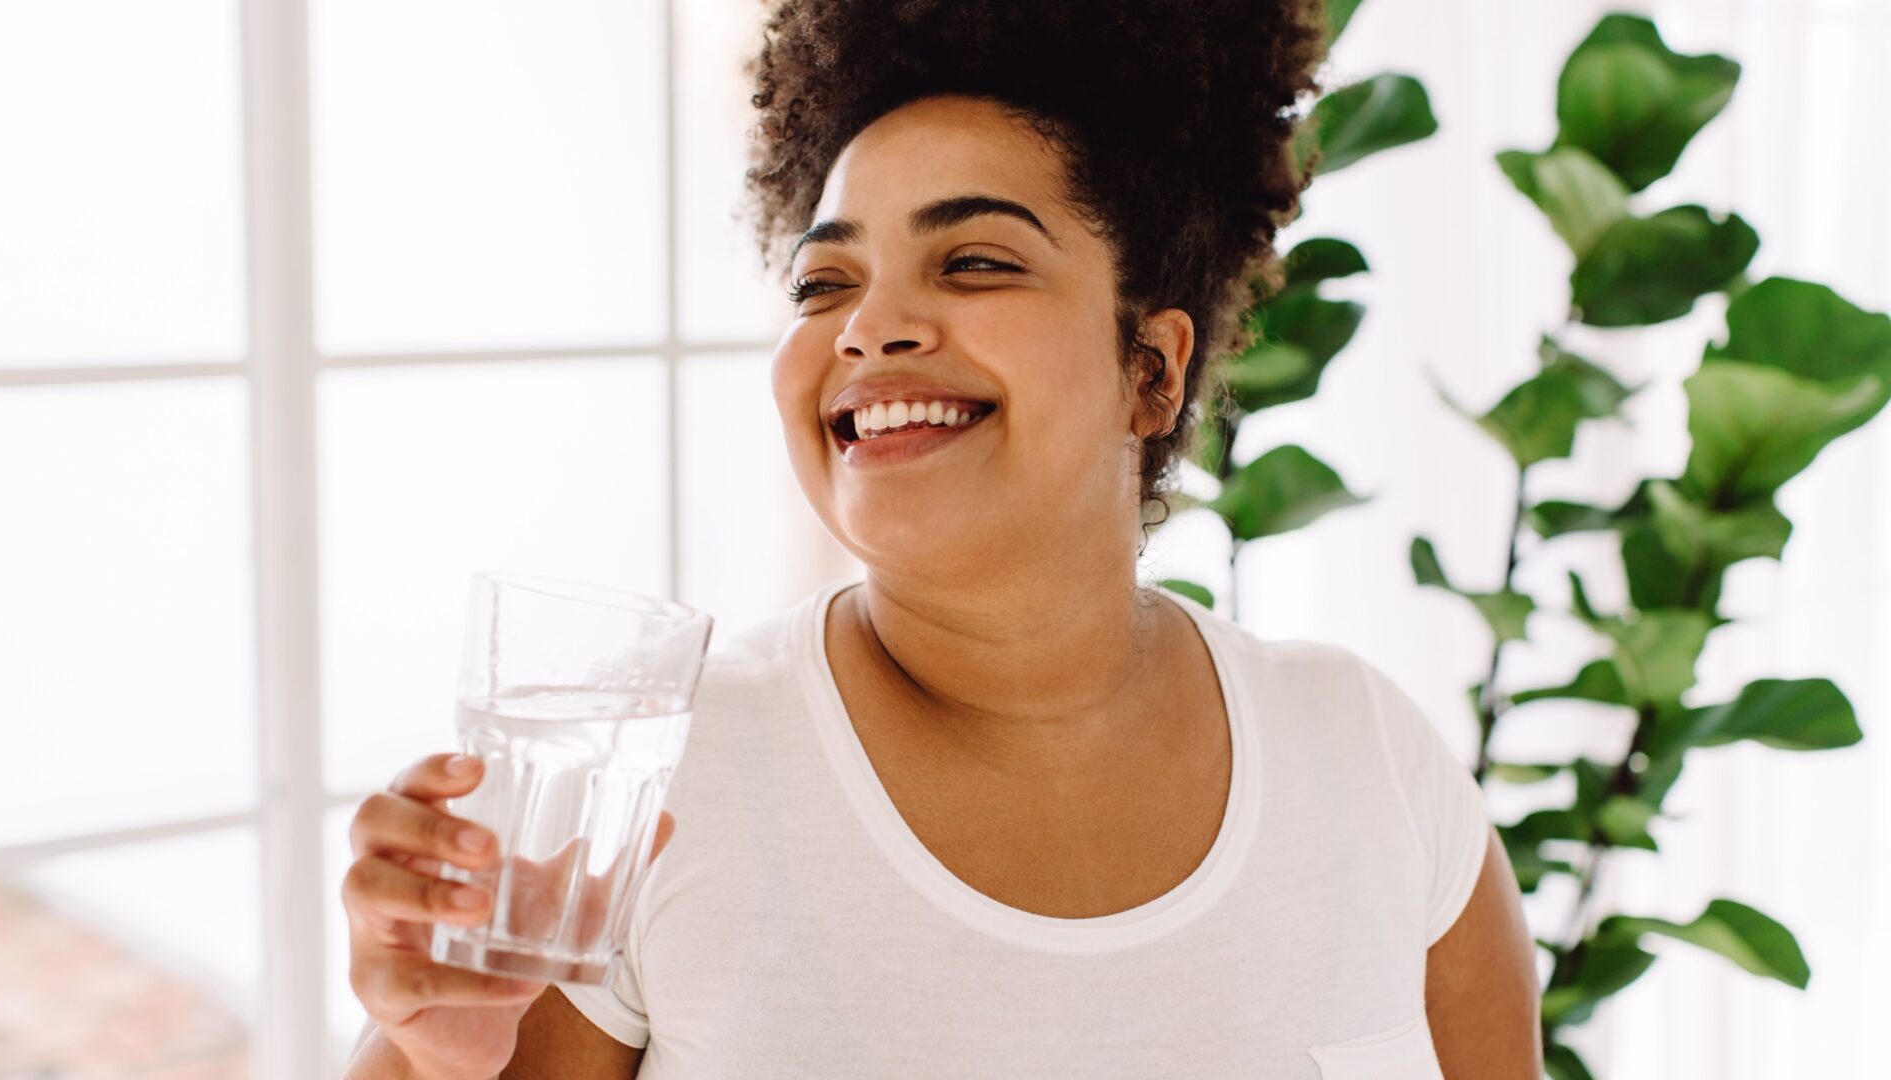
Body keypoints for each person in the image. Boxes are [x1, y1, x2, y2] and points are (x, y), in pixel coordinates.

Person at [340, 1, 1542, 1076]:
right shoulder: (652, 786)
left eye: (974, 260)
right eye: (823, 284)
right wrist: (440, 1060)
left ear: (1153, 372)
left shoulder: (1372, 763)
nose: (870, 326)